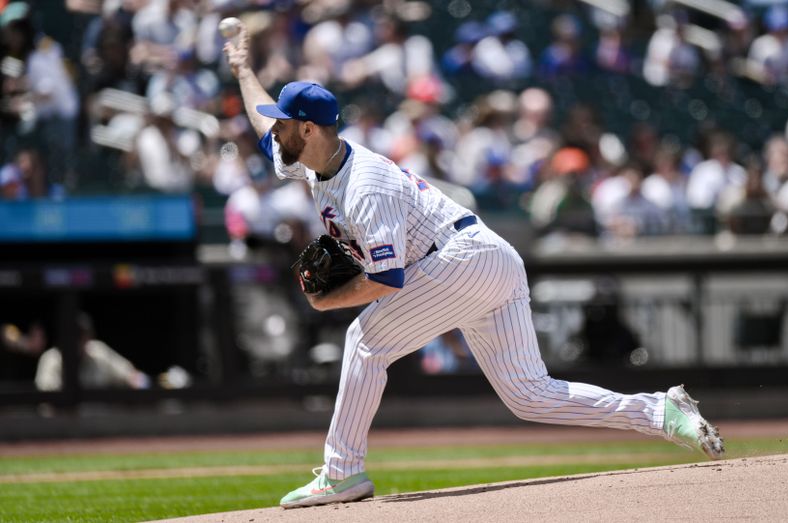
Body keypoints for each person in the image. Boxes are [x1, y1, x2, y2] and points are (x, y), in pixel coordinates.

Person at [223, 26, 725, 510]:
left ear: (308, 128)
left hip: (457, 260)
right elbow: (262, 125)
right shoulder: (309, 157)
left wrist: (324, 299)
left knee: (364, 341)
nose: (277, 129)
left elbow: (387, 280)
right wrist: (244, 69)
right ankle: (661, 411)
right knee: (530, 396)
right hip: (486, 259)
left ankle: (341, 472)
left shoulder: (365, 185)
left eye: (285, 122)